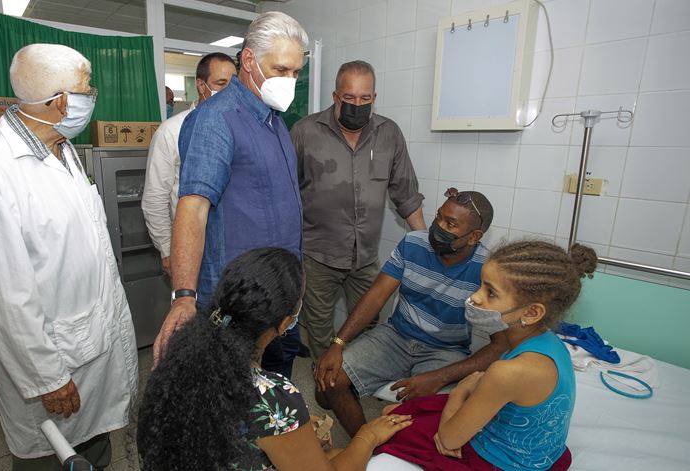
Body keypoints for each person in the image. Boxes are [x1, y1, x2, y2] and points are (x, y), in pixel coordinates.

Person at [0, 43, 138, 469]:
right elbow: (4, 294)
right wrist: (47, 378)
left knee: (93, 442)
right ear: (60, 101)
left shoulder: (61, 147)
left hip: (89, 340)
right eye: (85, 89)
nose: (91, 95)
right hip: (55, 359)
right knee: (54, 453)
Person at [138, 247, 414, 470]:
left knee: (336, 453)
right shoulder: (274, 397)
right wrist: (368, 436)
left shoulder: (175, 362)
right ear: (284, 323)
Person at [152, 11, 309, 378]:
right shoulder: (215, 119)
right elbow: (193, 208)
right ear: (250, 61)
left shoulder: (275, 121)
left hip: (280, 298)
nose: (290, 81)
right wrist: (184, 296)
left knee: (274, 394)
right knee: (233, 401)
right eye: (282, 69)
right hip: (238, 305)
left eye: (296, 73)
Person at [376, 241, 597, 471]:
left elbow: (450, 440)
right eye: (480, 285)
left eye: (490, 292)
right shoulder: (551, 342)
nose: (476, 298)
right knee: (397, 412)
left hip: (497, 463)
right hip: (541, 452)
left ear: (531, 312)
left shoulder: (508, 372)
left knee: (388, 425)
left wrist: (460, 391)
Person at [314, 188, 505, 438]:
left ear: (474, 236)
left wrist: (439, 377)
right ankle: (368, 444)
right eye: (439, 217)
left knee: (426, 412)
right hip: (396, 336)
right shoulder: (413, 243)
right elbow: (377, 295)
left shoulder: (488, 271)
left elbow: (500, 345)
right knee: (330, 382)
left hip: (446, 350)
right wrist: (338, 343)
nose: (438, 227)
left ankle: (398, 451)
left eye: (451, 224)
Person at [292, 60, 426, 360]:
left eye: (365, 99)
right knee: (319, 326)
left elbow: (406, 195)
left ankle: (356, 374)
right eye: (349, 98)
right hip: (317, 255)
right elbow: (286, 195)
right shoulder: (305, 132)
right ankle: (323, 379)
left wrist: (425, 247)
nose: (357, 105)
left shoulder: (389, 134)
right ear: (335, 96)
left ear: (374, 98)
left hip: (365, 256)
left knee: (368, 321)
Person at [142, 53, 236, 276]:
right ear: (201, 86)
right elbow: (155, 198)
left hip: (232, 249)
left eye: (234, 85)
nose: (230, 92)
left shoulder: (237, 128)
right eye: (221, 84)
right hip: (191, 250)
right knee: (192, 309)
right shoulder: (171, 131)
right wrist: (167, 251)